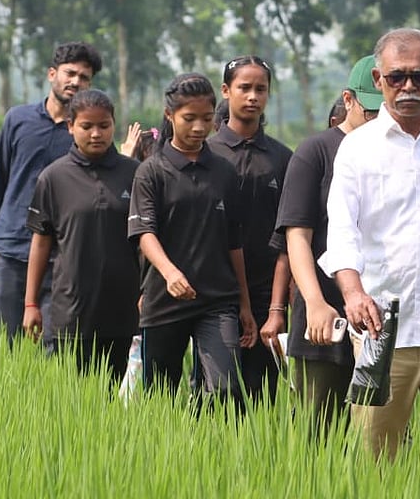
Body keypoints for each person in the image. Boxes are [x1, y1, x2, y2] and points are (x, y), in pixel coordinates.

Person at [319, 29, 420, 476]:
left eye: (419, 77)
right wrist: (352, 294)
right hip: (379, 327)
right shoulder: (356, 148)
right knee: (376, 456)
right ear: (378, 77)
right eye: (396, 78)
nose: (408, 87)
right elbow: (342, 231)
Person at [261, 54, 382, 431]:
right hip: (326, 313)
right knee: (322, 427)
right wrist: (313, 302)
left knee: (382, 431)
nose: (378, 119)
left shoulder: (395, 151)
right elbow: (297, 237)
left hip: (383, 314)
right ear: (348, 100)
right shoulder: (316, 152)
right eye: (370, 110)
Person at [127, 73, 257, 409]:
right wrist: (170, 273)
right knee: (160, 399)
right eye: (189, 119)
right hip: (164, 299)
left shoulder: (225, 172)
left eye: (206, 118)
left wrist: (244, 304)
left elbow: (234, 242)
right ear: (169, 116)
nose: (199, 127)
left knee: (227, 390)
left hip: (217, 299)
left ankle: (205, 444)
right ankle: (173, 453)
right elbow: (144, 234)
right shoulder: (151, 171)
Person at [0, 41, 103, 347]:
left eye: (84, 77)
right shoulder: (18, 119)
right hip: (10, 248)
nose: (75, 81)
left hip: (61, 257)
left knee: (55, 346)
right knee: (10, 343)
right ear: (52, 74)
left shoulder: (88, 132)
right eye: (70, 73)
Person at [22, 89, 139, 380]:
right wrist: (31, 304)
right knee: (73, 401)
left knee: (116, 399)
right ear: (70, 126)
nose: (96, 133)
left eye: (104, 125)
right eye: (87, 126)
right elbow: (40, 243)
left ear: (114, 124)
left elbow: (146, 240)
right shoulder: (53, 177)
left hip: (123, 310)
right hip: (71, 310)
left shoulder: (136, 174)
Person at [207, 56, 294, 403]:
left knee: (265, 393)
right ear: (226, 92)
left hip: (266, 291)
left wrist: (281, 301)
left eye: (261, 89)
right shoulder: (207, 154)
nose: (252, 96)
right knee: (218, 392)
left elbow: (292, 232)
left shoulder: (283, 159)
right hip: (213, 292)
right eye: (244, 88)